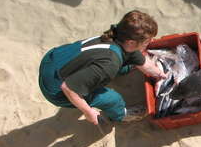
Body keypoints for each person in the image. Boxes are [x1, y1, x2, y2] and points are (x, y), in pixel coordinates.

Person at [39, 10, 167, 125]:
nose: (149, 42)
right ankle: (121, 115)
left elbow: (141, 60)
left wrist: (160, 74)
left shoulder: (116, 35)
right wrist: (88, 112)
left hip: (56, 59)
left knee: (125, 60)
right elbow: (69, 88)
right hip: (55, 87)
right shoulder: (109, 64)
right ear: (131, 42)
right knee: (112, 99)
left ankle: (116, 71)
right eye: (146, 41)